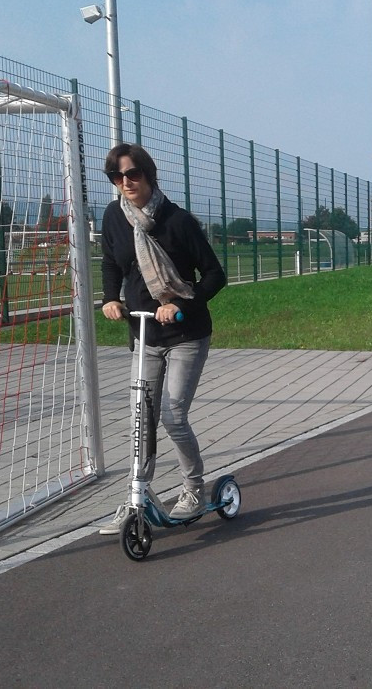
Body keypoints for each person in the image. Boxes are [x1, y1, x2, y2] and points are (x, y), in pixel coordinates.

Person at [98, 143, 227, 534]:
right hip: (144, 333)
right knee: (143, 419)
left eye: (132, 174)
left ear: (148, 174)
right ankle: (138, 497)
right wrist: (110, 298)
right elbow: (109, 262)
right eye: (117, 177)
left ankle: (193, 489)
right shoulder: (113, 216)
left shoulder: (178, 221)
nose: (126, 182)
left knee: (172, 416)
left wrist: (181, 301)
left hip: (186, 332)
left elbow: (214, 275)